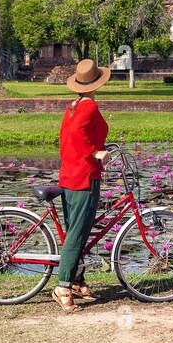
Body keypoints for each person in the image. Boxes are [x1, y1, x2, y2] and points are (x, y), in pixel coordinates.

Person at [52, 58, 111, 312]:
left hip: (70, 174)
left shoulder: (73, 106)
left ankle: (76, 279)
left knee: (77, 231)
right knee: (77, 233)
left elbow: (70, 136)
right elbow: (78, 136)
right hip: (83, 177)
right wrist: (94, 154)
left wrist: (99, 148)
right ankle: (63, 286)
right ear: (96, 83)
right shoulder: (89, 107)